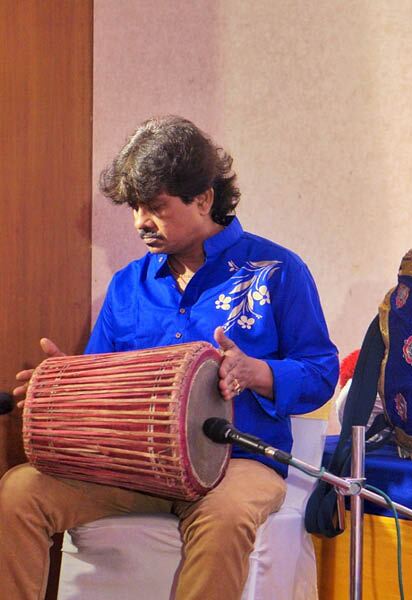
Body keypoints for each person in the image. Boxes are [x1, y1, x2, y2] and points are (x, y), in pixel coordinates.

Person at [0, 116, 339, 599]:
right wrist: (60, 387)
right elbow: (101, 382)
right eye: (135, 207)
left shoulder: (276, 270)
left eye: (156, 206)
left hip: (236, 463)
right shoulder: (128, 285)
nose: (141, 221)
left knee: (224, 517)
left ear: (203, 198)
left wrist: (255, 371)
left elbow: (321, 372)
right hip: (135, 466)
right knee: (20, 492)